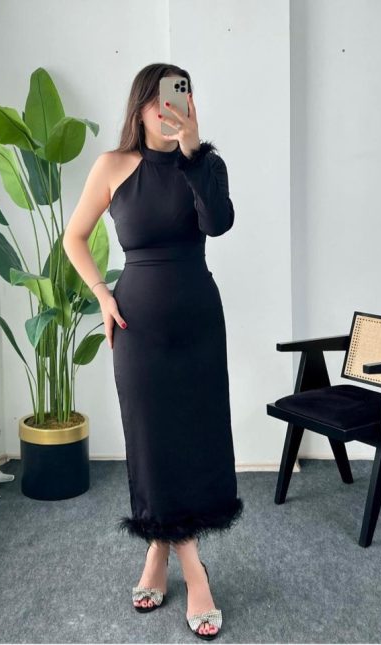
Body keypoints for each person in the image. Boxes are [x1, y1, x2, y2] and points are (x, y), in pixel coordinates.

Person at [63, 63, 244, 640]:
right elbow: (74, 237)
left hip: (198, 322)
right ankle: (192, 567)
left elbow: (218, 224)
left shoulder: (206, 165)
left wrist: (193, 151)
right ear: (142, 105)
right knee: (150, 439)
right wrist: (101, 293)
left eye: (182, 98)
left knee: (194, 439)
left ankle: (159, 553)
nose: (172, 109)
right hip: (136, 326)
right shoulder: (112, 166)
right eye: (163, 99)